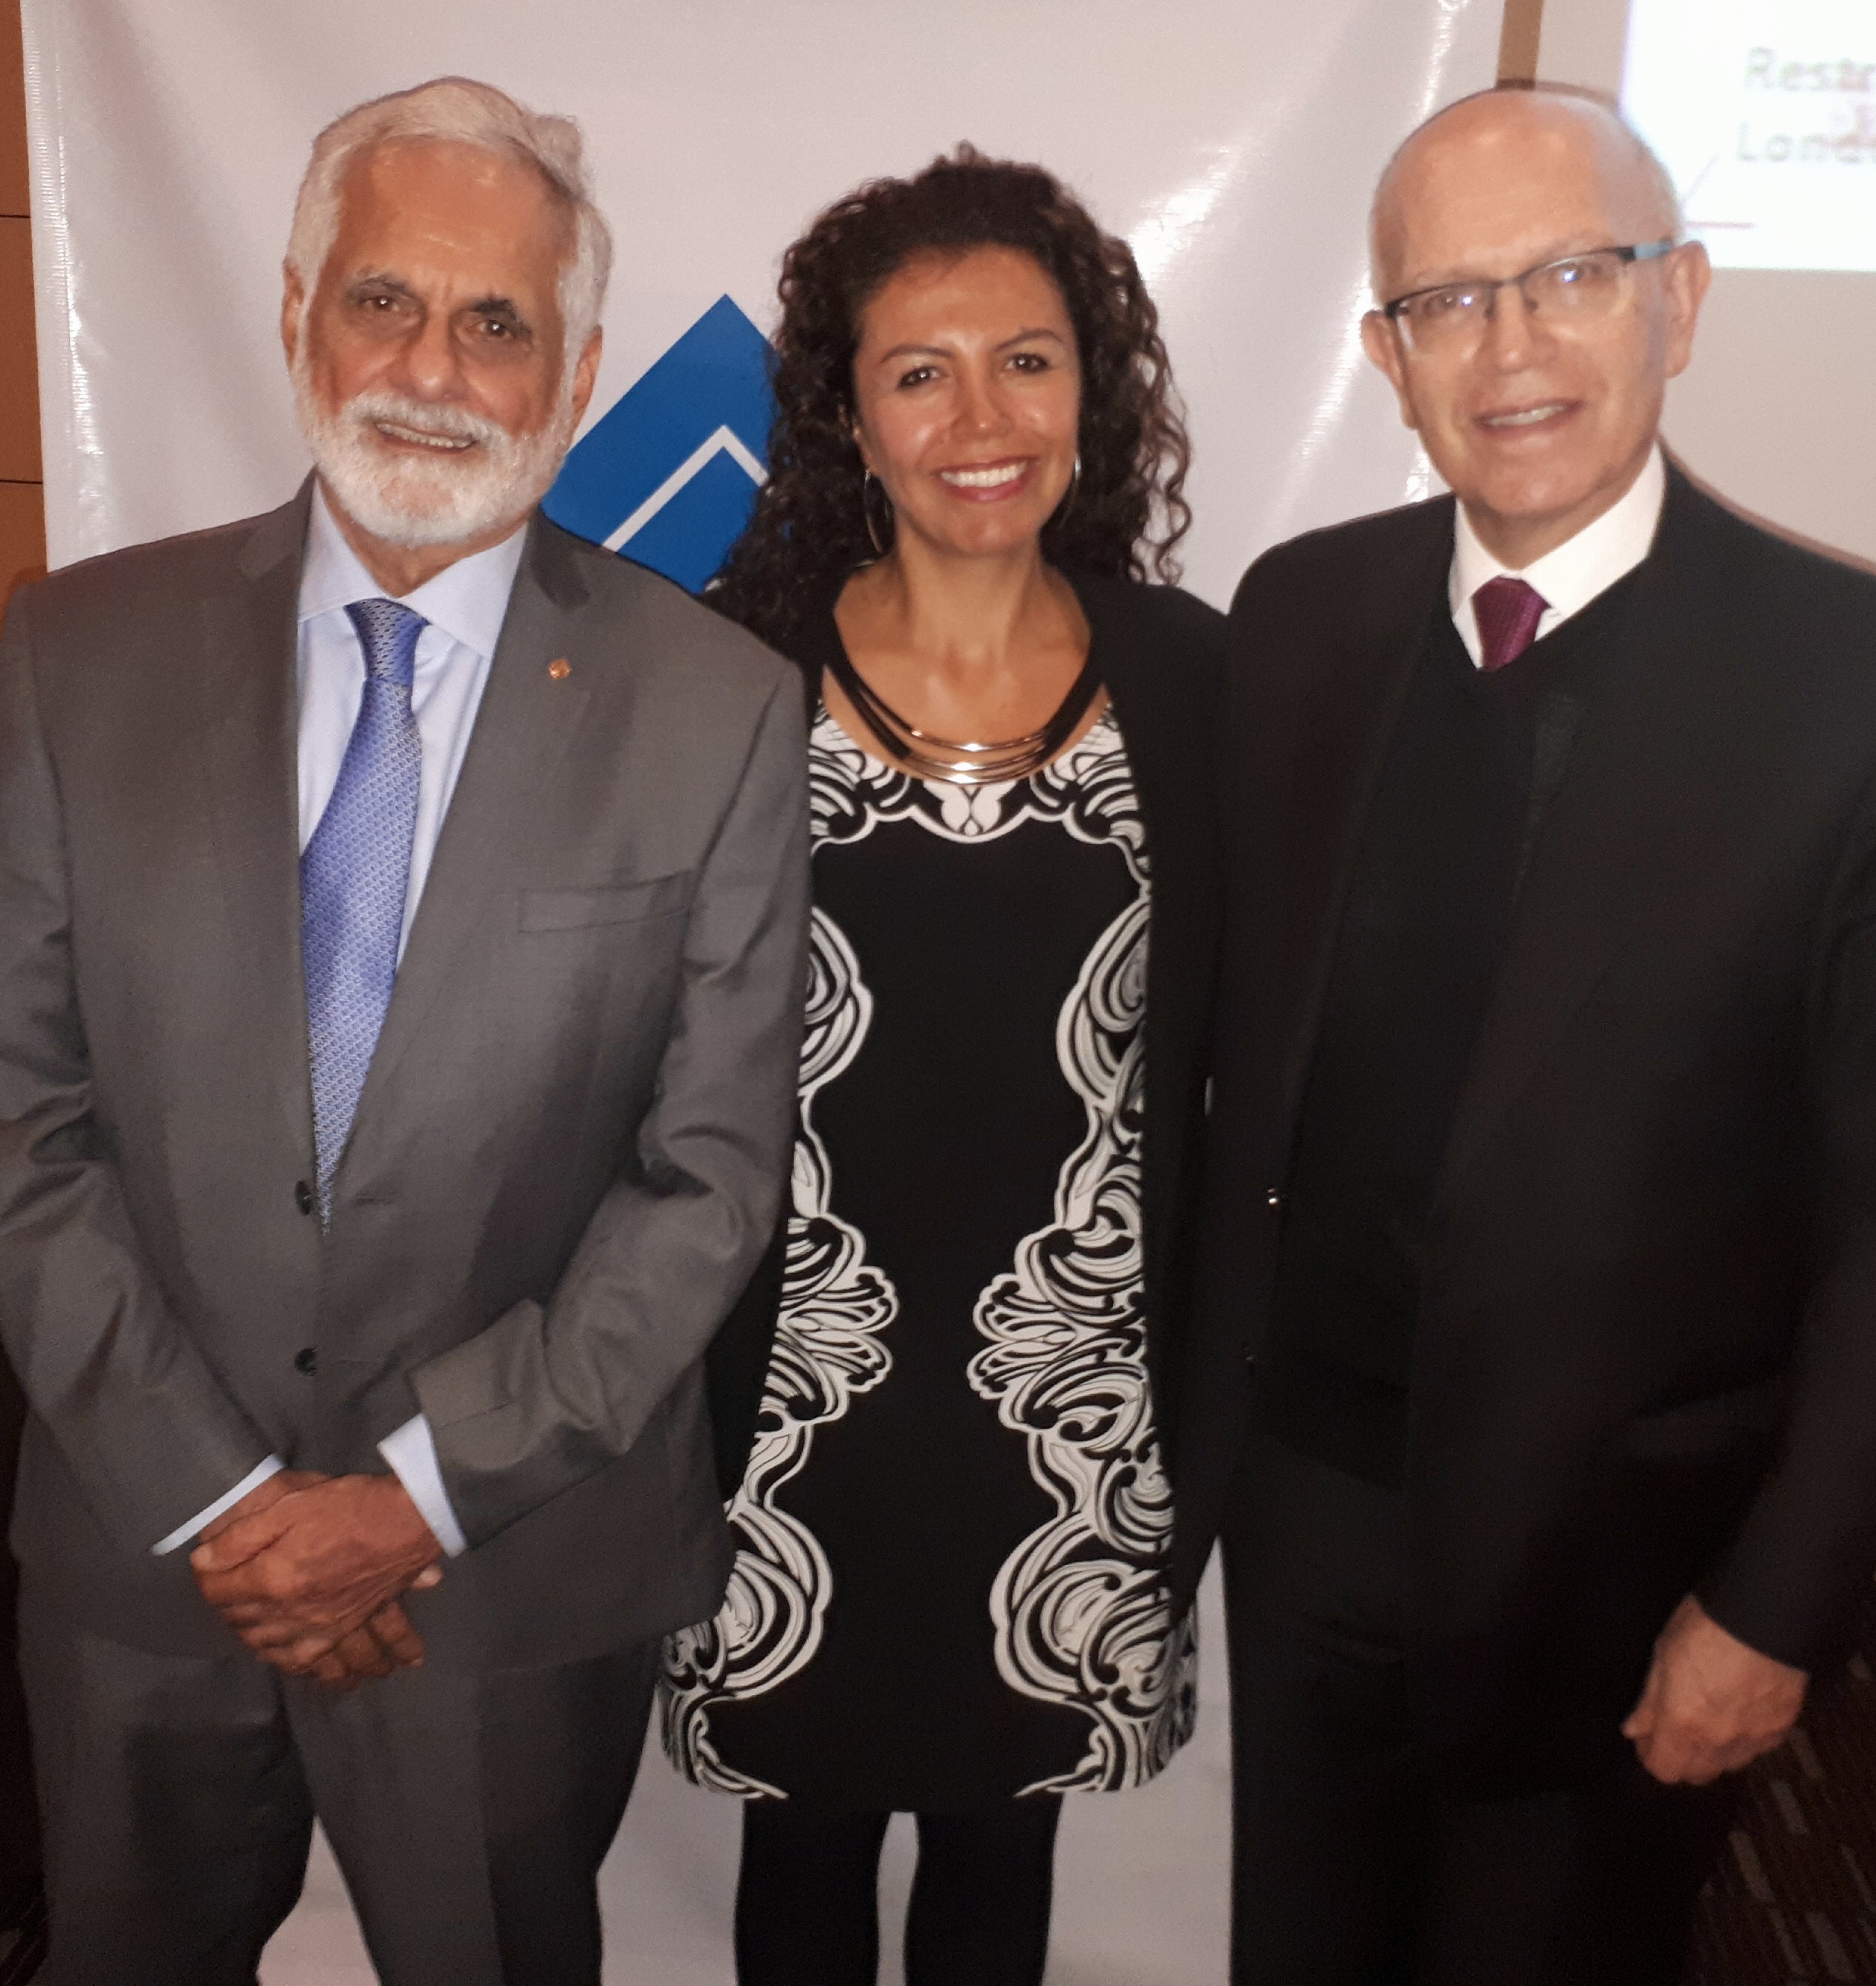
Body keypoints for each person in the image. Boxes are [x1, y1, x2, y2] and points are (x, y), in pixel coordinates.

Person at [0, 78, 807, 1986]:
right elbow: (9, 1103)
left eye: (497, 322)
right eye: (382, 300)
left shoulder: (719, 712)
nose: (430, 369)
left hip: (501, 1580)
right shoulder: (78, 652)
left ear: (577, 377)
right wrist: (225, 1496)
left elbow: (708, 1183)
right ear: (295, 314)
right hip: (148, 1554)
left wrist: (408, 1501)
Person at [1173, 84, 1876, 1984]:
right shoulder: (1300, 619)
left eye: (1568, 275)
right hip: (1304, 1513)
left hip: (1626, 1570)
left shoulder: (1875, 692)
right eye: (1448, 301)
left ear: (1679, 299)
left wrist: (1775, 1605)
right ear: (1387, 358)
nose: (1511, 348)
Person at [659, 148, 1225, 1986]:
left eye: (1027, 361)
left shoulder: (1196, 687)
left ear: (1091, 389)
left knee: (1004, 1843)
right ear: (849, 416)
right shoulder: (728, 678)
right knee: (800, 1845)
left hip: (1067, 1402)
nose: (982, 419)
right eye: (922, 372)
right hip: (787, 1398)